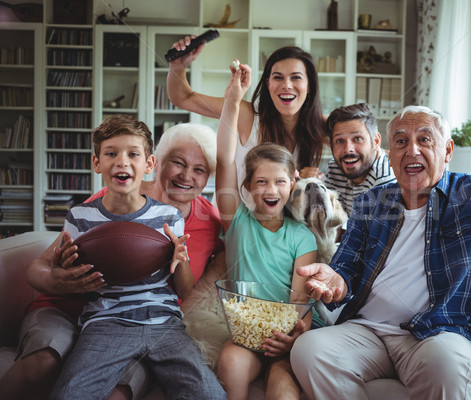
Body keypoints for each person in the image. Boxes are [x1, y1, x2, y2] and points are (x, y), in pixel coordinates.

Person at [289, 104, 471, 400]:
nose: (412, 150)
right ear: (390, 155)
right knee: (309, 350)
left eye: (425, 140)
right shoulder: (371, 202)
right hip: (369, 332)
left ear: (447, 150)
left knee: (443, 364)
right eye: (401, 142)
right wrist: (336, 280)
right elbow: (345, 269)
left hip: (440, 333)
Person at [0, 123, 223, 400]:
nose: (187, 175)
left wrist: (184, 262)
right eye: (178, 163)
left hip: (162, 321)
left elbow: (212, 263)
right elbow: (41, 267)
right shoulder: (89, 213)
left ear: (148, 163)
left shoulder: (185, 218)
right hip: (101, 317)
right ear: (160, 163)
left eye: (199, 170)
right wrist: (58, 278)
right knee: (55, 377)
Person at [214, 61, 320, 400]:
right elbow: (224, 158)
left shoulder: (302, 235)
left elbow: (299, 299)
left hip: (284, 338)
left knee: (284, 386)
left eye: (279, 181)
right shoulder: (237, 220)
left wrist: (294, 335)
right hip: (244, 335)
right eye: (260, 181)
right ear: (246, 186)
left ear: (293, 184)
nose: (270, 190)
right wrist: (233, 99)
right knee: (230, 363)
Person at [167, 39, 326, 182]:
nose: (287, 85)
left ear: (309, 86)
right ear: (268, 84)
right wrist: (178, 65)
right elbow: (183, 97)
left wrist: (313, 180)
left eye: (296, 77)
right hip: (234, 212)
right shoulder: (247, 114)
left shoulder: (321, 125)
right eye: (278, 77)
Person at [324, 103, 396, 216]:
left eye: (358, 139)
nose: (348, 149)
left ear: (376, 142)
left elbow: (372, 232)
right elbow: (332, 221)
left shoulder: (386, 177)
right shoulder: (334, 169)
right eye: (339, 141)